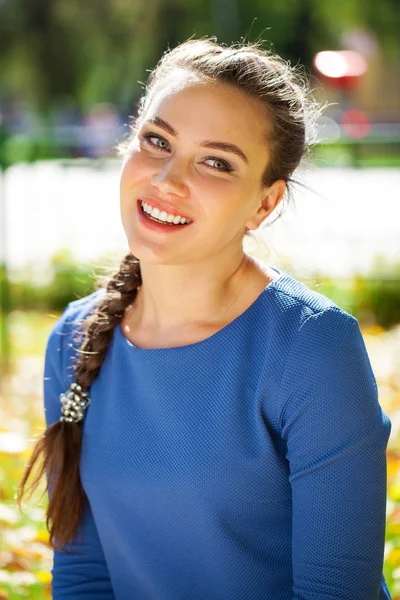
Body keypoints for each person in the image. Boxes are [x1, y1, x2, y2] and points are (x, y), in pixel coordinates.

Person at [18, 37, 392, 600]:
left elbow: (335, 591)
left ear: (265, 204)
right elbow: (84, 573)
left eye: (216, 162)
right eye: (156, 141)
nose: (168, 179)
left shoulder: (311, 347)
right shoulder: (74, 339)